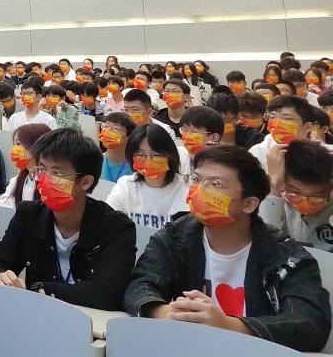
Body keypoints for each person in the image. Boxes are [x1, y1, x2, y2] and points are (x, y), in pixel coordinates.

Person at [125, 144, 331, 352]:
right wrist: (170, 314)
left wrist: (227, 325)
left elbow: (310, 325)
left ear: (249, 204)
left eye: (215, 184)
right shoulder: (174, 236)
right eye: (196, 179)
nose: (200, 190)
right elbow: (140, 286)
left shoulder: (287, 256)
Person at [0, 128, 136, 309]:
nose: (44, 180)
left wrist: (40, 289)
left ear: (86, 182)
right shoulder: (28, 215)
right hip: (36, 314)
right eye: (42, 169)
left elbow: (108, 293)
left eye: (56, 173)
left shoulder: (116, 227)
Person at [106, 124, 188, 230]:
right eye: (140, 155)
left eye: (156, 155)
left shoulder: (186, 188)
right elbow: (106, 219)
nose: (148, 160)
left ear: (169, 156)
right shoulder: (125, 186)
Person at [265, 139, 333, 250]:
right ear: (284, 184)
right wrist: (275, 183)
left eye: (316, 197)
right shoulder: (273, 200)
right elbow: (265, 243)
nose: (305, 204)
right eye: (295, 193)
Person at [99, 112, 136, 183]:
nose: (108, 131)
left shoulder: (136, 165)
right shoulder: (95, 161)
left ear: (128, 137)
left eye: (116, 128)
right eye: (105, 126)